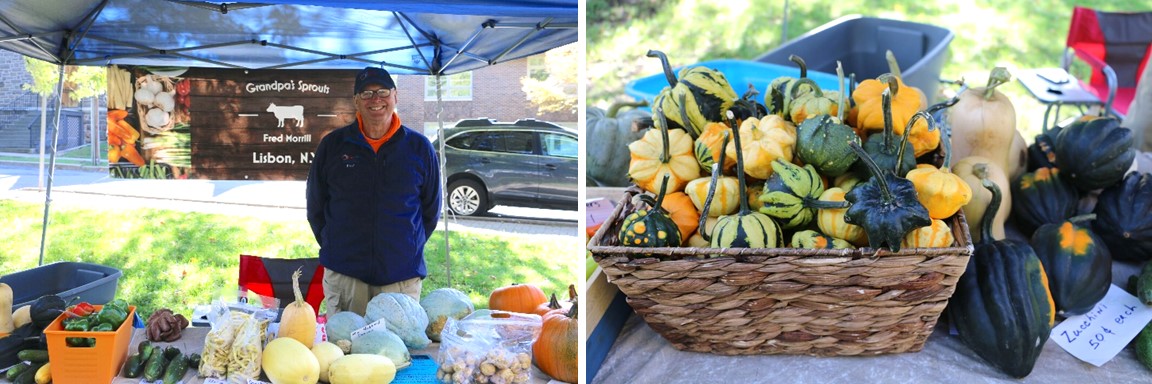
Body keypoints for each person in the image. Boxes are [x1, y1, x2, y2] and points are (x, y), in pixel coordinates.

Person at [306, 66, 441, 315]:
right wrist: (337, 246)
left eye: (382, 92)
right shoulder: (333, 146)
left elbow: (431, 210)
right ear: (356, 101)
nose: (375, 99)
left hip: (400, 278)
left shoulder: (419, 147)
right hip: (346, 275)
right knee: (344, 351)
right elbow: (316, 207)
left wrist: (405, 247)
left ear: (395, 96)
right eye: (366, 94)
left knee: (395, 353)